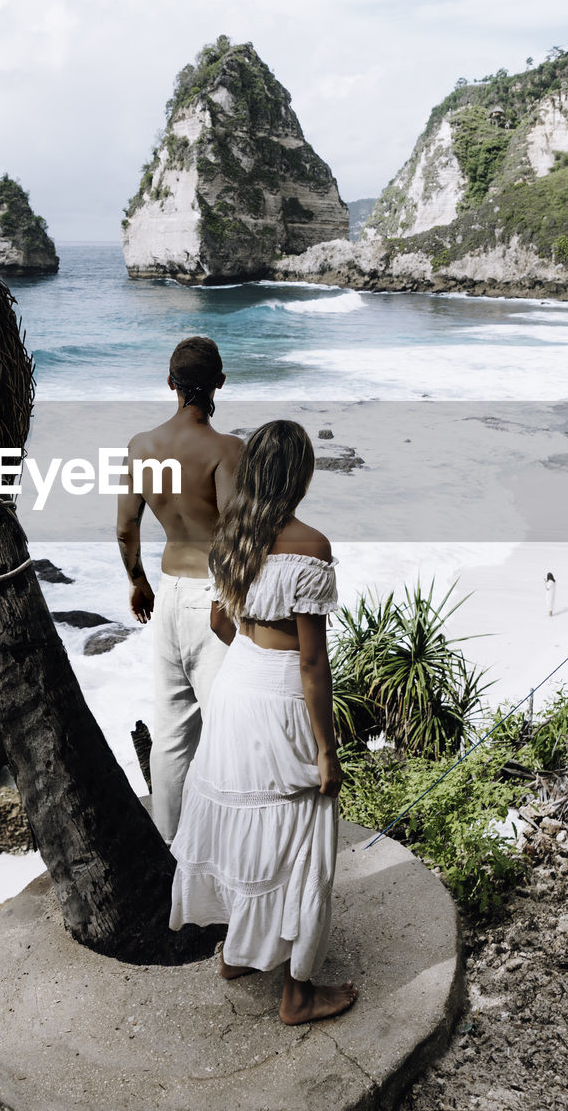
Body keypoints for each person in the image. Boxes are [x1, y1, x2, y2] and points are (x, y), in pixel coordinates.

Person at [169, 420, 357, 1025]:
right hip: (279, 699)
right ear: (300, 475)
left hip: (235, 686)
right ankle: (298, 994)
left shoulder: (234, 537)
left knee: (240, 819)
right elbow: (311, 663)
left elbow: (224, 625)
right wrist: (326, 749)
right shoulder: (310, 546)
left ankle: (237, 953)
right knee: (303, 836)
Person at [116, 336, 244, 842]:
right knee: (226, 726)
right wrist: (228, 602)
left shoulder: (141, 446)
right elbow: (236, 533)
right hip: (214, 595)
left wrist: (137, 580)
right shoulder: (228, 450)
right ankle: (231, 847)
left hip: (167, 593)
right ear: (219, 382)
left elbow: (126, 527)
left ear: (170, 383)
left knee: (171, 734)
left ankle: (170, 846)